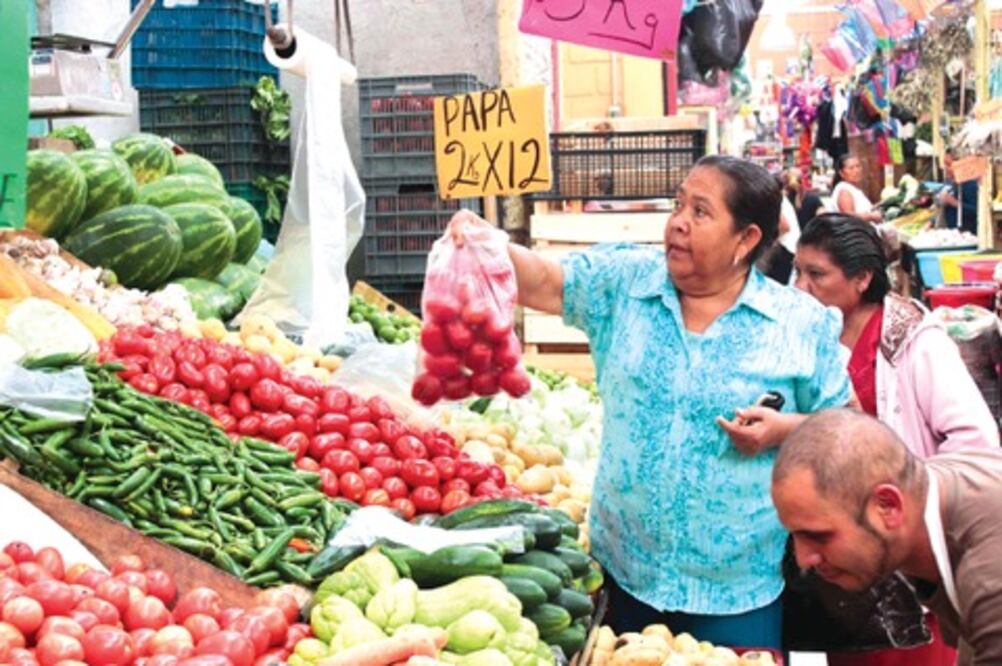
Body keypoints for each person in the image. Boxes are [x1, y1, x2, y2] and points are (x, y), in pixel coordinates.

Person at [447, 155, 853, 648]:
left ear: (745, 240)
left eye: (701, 212)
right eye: (679, 204)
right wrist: (489, 244)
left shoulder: (799, 323)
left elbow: (847, 429)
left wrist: (782, 429)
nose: (678, 222)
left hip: (734, 593)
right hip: (623, 575)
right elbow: (544, 281)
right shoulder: (625, 283)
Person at [794, 213, 999, 664]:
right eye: (797, 271)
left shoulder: (915, 342)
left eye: (816, 274)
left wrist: (909, 504)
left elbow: (975, 439)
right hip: (847, 569)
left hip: (907, 565)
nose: (800, 287)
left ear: (862, 278)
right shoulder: (809, 341)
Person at [772, 409, 1002, 665]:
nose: (803, 559)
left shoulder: (988, 566)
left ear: (888, 506)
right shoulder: (928, 491)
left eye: (818, 536)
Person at [831, 155, 882, 224]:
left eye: (858, 166)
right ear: (841, 173)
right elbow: (848, 217)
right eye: (851, 168)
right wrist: (871, 216)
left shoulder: (852, 188)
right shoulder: (844, 191)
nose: (856, 170)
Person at [939, 152, 978, 235]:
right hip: (953, 234)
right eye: (945, 164)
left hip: (968, 234)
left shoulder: (970, 184)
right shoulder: (950, 182)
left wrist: (954, 202)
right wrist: (931, 222)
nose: (945, 168)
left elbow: (976, 211)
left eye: (949, 165)